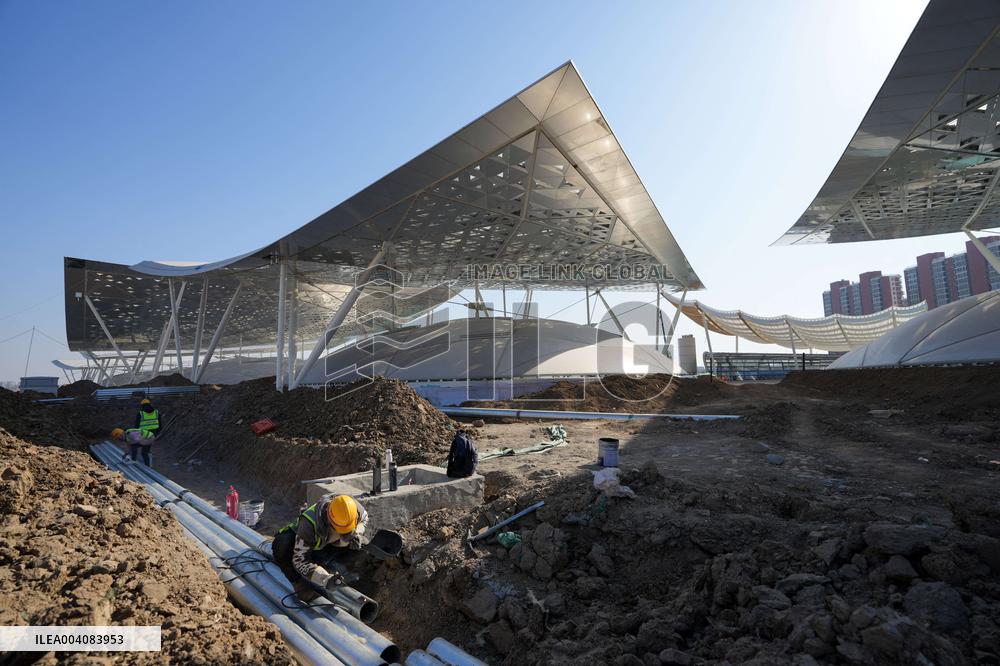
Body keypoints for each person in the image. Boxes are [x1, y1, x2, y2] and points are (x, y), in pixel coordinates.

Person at [271, 494, 369, 601]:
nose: (346, 534)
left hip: (326, 545)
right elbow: (299, 560)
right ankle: (300, 585)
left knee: (364, 545)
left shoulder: (352, 508)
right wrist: (325, 579)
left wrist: (357, 533)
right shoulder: (309, 524)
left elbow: (364, 518)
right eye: (342, 531)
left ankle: (353, 578)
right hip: (304, 547)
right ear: (330, 522)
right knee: (282, 546)